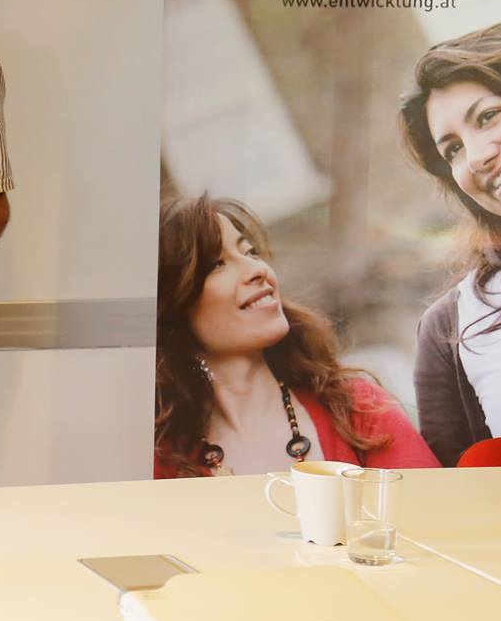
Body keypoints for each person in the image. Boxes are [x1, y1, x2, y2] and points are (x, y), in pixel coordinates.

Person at [155, 194, 437, 477]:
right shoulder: (157, 457)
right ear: (173, 305)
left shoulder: (358, 409)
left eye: (250, 252)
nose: (257, 270)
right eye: (217, 264)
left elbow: (432, 502)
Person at [399, 22, 501, 466]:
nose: (476, 157)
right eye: (453, 149)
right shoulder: (453, 329)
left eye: (488, 116)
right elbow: (460, 494)